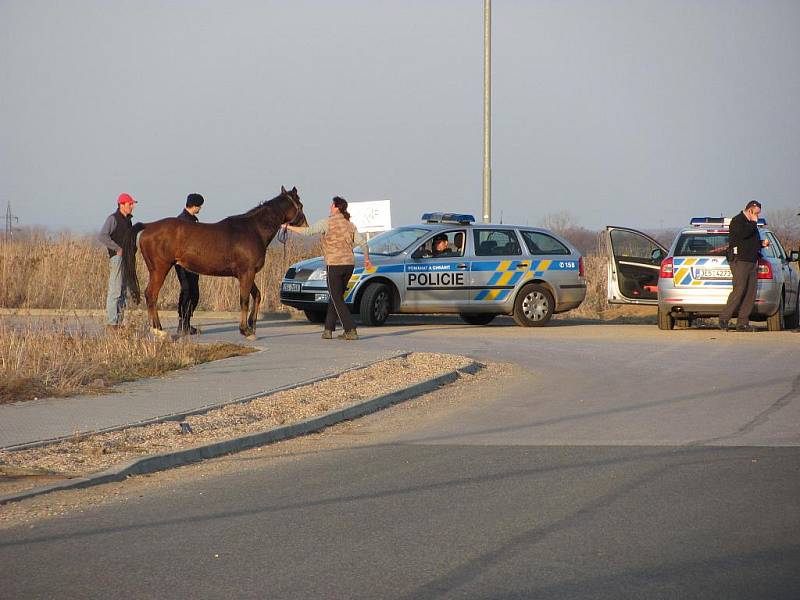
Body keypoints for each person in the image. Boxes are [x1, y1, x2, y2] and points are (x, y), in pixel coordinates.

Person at [284, 196, 373, 340]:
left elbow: (307, 232)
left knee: (337, 298)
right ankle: (328, 329)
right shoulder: (350, 225)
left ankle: (350, 329)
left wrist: (287, 227)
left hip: (334, 264)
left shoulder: (327, 223)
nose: (330, 207)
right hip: (349, 265)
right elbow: (363, 244)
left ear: (337, 207)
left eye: (332, 205)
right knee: (336, 296)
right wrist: (367, 259)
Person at [719, 200, 769, 332]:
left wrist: (761, 243)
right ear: (750, 210)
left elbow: (751, 241)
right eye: (756, 213)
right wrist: (753, 222)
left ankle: (743, 322)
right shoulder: (738, 221)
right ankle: (724, 318)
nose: (757, 216)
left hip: (752, 261)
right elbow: (743, 235)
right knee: (739, 289)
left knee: (750, 292)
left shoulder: (752, 224)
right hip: (740, 260)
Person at [98, 193, 136, 328]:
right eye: (130, 204)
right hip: (117, 258)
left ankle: (119, 322)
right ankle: (112, 323)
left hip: (127, 259)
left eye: (132, 204)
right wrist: (117, 249)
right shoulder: (113, 219)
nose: (132, 206)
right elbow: (102, 236)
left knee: (123, 291)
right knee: (115, 290)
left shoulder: (129, 220)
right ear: (122, 205)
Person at [175, 193, 204, 336]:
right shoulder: (182, 221)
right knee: (187, 290)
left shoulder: (193, 220)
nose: (200, 208)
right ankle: (183, 323)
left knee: (194, 292)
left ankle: (186, 322)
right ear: (194, 206)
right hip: (183, 263)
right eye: (199, 206)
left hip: (194, 262)